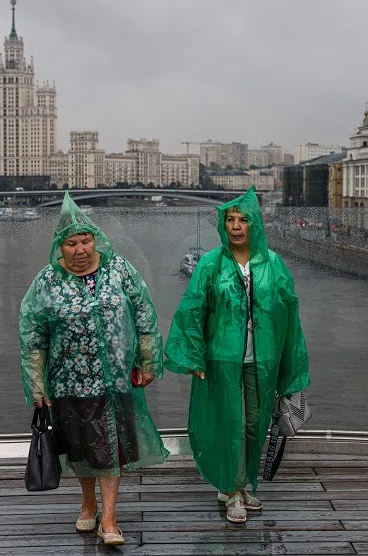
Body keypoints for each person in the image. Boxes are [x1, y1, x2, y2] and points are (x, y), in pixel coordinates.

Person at [19, 193, 169, 546]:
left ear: (95, 239)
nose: (81, 248)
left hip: (115, 379)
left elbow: (145, 312)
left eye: (85, 240)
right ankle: (88, 505)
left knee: (111, 449)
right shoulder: (47, 282)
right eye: (72, 243)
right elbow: (32, 335)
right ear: (61, 248)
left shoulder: (119, 268)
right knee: (82, 448)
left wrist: (148, 359)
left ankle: (111, 518)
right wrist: (36, 386)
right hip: (69, 382)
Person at [164, 187, 310, 523]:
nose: (236, 225)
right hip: (222, 358)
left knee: (255, 424)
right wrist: (194, 356)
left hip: (262, 361)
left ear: (255, 225)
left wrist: (290, 365)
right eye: (230, 219)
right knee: (229, 423)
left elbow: (290, 316)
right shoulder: (211, 264)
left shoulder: (273, 264)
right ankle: (233, 491)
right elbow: (192, 310)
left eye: (243, 219)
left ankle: (241, 483)